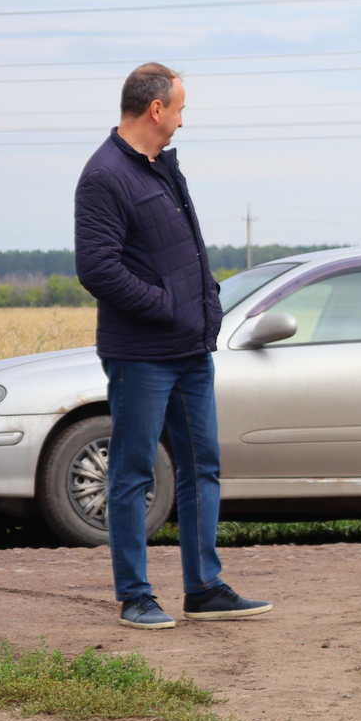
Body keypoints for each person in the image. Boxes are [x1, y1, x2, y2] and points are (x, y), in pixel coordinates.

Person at [74, 63, 271, 630]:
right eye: (180, 109)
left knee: (202, 465)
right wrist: (168, 307)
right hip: (140, 354)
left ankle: (204, 587)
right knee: (133, 474)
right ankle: (135, 595)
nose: (184, 121)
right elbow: (98, 269)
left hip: (190, 350)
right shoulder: (105, 175)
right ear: (155, 109)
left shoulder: (162, 166)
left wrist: (199, 302)